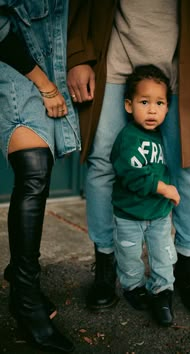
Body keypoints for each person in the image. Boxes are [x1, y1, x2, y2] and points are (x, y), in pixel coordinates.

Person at [67, 0, 190, 313]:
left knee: (189, 167)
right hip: (115, 58)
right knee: (102, 164)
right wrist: (77, 54)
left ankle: (186, 266)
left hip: (185, 61)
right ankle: (105, 266)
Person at [0, 0, 83, 352]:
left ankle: (20, 280)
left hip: (51, 70)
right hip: (15, 66)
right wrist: (46, 86)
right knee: (33, 172)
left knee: (40, 173)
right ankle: (26, 298)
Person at [111, 64, 180, 326]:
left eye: (160, 103)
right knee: (129, 256)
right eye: (144, 101)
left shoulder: (162, 137)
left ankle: (163, 292)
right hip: (128, 214)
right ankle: (134, 287)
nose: (152, 109)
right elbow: (129, 173)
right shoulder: (128, 137)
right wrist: (163, 188)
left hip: (159, 214)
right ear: (129, 105)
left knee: (162, 253)